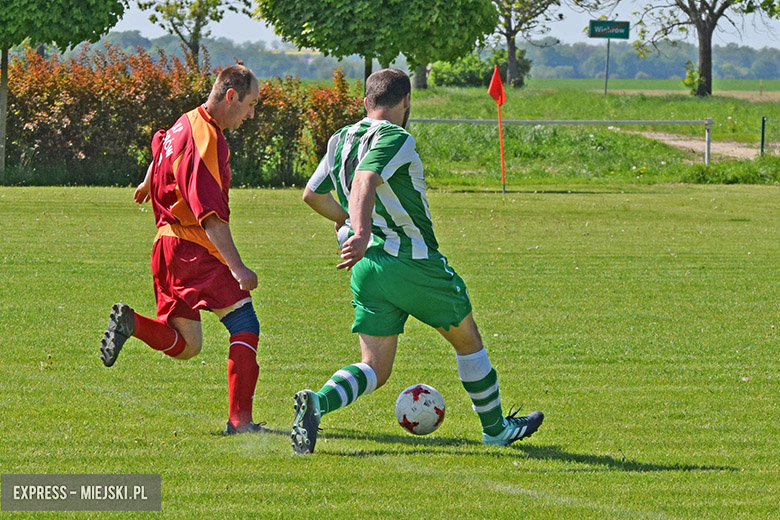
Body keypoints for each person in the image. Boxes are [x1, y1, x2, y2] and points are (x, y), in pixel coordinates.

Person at [292, 68, 543, 454]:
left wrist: (349, 226)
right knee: (468, 341)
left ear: (365, 102)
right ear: (406, 101)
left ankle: (318, 403)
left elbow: (312, 194)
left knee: (375, 366)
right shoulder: (396, 137)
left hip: (368, 270)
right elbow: (364, 180)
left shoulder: (340, 138)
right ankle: (495, 429)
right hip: (413, 261)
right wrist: (359, 230)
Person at [100, 65, 267, 435]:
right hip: (193, 247)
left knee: (188, 345)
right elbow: (210, 216)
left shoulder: (183, 121)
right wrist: (238, 268)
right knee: (243, 322)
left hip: (164, 247)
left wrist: (148, 181)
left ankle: (134, 323)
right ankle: (240, 423)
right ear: (230, 96)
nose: (252, 114)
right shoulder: (210, 138)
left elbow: (161, 144)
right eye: (251, 104)